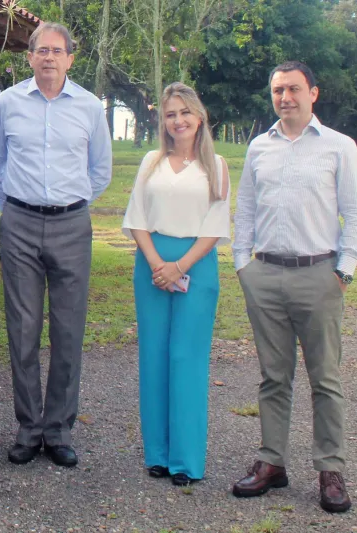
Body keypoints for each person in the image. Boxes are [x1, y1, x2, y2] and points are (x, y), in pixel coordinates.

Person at [231, 61, 357, 513]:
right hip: (265, 275)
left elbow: (356, 213)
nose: (284, 97)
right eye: (277, 90)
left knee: (325, 379)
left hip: (319, 274)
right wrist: (242, 265)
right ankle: (272, 462)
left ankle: (330, 468)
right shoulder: (258, 147)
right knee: (273, 377)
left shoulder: (339, 147)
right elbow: (246, 210)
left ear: (314, 92)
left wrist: (343, 271)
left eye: (293, 89)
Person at [0, 22, 113, 467]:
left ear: (71, 59)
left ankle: (58, 429)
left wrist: (69, 205)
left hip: (72, 224)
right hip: (19, 222)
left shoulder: (90, 107)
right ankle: (28, 427)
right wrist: (16, 208)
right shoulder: (7, 103)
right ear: (30, 56)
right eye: (42, 50)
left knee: (67, 330)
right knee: (22, 329)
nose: (49, 58)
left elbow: (100, 170)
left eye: (58, 51)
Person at [121, 82, 230, 485]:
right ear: (162, 121)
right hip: (151, 264)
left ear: (199, 117)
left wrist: (179, 266)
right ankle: (158, 455)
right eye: (170, 114)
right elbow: (137, 217)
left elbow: (216, 226)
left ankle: (185, 461)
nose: (178, 120)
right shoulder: (151, 161)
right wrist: (157, 264)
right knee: (154, 356)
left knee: (187, 358)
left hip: (196, 267)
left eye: (184, 112)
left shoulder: (215, 166)